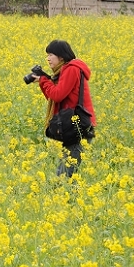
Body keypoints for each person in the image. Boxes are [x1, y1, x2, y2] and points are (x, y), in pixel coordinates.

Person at [36, 39, 97, 177]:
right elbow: (55, 98)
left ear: (61, 56)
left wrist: (43, 80)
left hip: (77, 126)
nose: (48, 58)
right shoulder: (65, 70)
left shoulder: (72, 69)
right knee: (68, 173)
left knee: (65, 175)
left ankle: (65, 197)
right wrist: (43, 81)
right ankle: (68, 196)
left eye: (51, 54)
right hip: (71, 125)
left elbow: (57, 95)